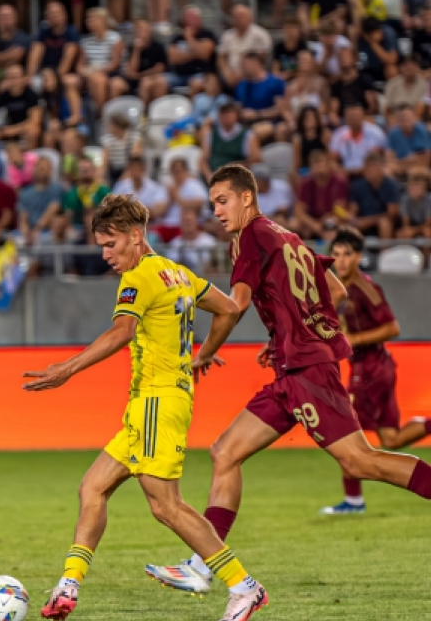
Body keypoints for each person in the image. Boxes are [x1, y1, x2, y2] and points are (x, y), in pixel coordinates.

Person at [146, 164, 431, 595]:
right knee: (225, 452)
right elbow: (335, 289)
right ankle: (204, 566)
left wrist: (205, 351)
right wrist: (287, 332)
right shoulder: (286, 234)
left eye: (222, 201)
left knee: (361, 461)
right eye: (212, 205)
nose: (217, 211)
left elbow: (233, 306)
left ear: (247, 197)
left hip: (307, 371)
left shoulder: (249, 238)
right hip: (293, 367)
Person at [24, 194, 268, 621]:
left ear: (136, 237)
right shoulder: (178, 272)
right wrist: (203, 353)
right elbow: (230, 308)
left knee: (166, 506)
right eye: (101, 245)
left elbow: (122, 331)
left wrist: (68, 368)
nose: (106, 254)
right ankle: (68, 586)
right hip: (149, 405)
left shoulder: (139, 277)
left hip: (157, 401)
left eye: (111, 244)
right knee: (93, 488)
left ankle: (243, 586)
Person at [321, 227, 431, 514]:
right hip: (372, 368)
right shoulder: (337, 287)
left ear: (359, 257)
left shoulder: (366, 289)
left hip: (371, 371)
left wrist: (353, 340)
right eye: (336, 254)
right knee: (391, 439)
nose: (341, 260)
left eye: (347, 254)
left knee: (343, 430)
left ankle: (353, 501)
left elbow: (392, 327)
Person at [294, 148, 349, 240]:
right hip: (312, 220)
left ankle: (332, 251)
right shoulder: (305, 183)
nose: (318, 168)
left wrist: (324, 221)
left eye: (320, 164)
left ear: (328, 165)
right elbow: (299, 211)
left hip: (332, 217)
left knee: (331, 224)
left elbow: (339, 209)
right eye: (315, 165)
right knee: (293, 224)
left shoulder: (339, 181)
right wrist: (314, 225)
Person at [108, 18, 166, 105]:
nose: (140, 32)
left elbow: (159, 69)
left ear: (149, 30)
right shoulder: (132, 48)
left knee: (148, 83)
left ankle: (143, 114)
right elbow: (130, 71)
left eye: (143, 29)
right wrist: (137, 50)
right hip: (133, 80)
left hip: (150, 78)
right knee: (115, 83)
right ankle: (114, 115)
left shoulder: (158, 47)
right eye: (138, 29)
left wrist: (140, 76)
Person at [0, 64, 43, 146]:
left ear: (23, 78)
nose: (13, 81)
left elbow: (34, 121)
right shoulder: (4, 95)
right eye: (9, 78)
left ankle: (29, 156)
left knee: (33, 131)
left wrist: (13, 130)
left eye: (15, 77)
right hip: (8, 128)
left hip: (22, 128)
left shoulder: (31, 95)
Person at [200, 102, 260, 180]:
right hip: (214, 174)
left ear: (236, 115)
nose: (226, 116)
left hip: (238, 176)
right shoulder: (211, 135)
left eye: (229, 113)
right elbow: (203, 160)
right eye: (223, 113)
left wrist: (237, 165)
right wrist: (209, 175)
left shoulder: (247, 135)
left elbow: (256, 159)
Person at [217, 5, 272, 90]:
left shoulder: (260, 35)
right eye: (236, 17)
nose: (239, 19)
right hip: (230, 76)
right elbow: (221, 57)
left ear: (250, 18)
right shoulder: (227, 35)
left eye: (242, 16)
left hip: (252, 76)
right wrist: (226, 73)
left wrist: (241, 74)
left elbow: (261, 60)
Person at [347, 151, 399, 239]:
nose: (369, 170)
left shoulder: (391, 185)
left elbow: (392, 213)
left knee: (384, 223)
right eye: (367, 167)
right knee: (349, 225)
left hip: (382, 221)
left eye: (373, 167)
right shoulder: (357, 186)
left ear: (381, 168)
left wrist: (369, 221)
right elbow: (353, 209)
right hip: (362, 221)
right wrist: (352, 218)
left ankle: (384, 252)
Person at [27, 0, 80, 80]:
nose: (53, 16)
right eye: (50, 13)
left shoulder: (71, 32)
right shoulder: (43, 31)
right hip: (44, 72)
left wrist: (55, 78)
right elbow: (35, 54)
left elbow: (67, 61)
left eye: (56, 13)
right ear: (46, 17)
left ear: (64, 15)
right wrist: (30, 78)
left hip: (63, 74)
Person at [329, 102, 386, 176]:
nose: (353, 119)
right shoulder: (338, 134)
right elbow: (332, 160)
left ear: (362, 116)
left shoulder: (375, 133)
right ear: (345, 118)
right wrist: (340, 170)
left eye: (356, 116)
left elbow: (377, 158)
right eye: (350, 116)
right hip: (345, 172)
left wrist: (357, 171)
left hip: (368, 172)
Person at [0, 4, 32, 88]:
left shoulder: (22, 38)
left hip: (20, 81)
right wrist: (6, 56)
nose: (5, 20)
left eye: (8, 16)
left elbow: (16, 56)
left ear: (16, 18)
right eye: (1, 17)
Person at [386, 102, 431, 177]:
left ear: (414, 117)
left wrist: (402, 163)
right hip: (399, 168)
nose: (405, 119)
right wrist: (409, 160)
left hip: (418, 168)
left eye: (408, 117)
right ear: (398, 120)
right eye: (402, 117)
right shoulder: (393, 133)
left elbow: (425, 161)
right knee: (387, 172)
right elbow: (389, 159)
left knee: (417, 172)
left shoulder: (421, 130)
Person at [167, 206, 216, 273]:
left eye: (190, 221)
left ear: (196, 221)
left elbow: (215, 267)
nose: (188, 224)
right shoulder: (175, 244)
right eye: (185, 221)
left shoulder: (210, 242)